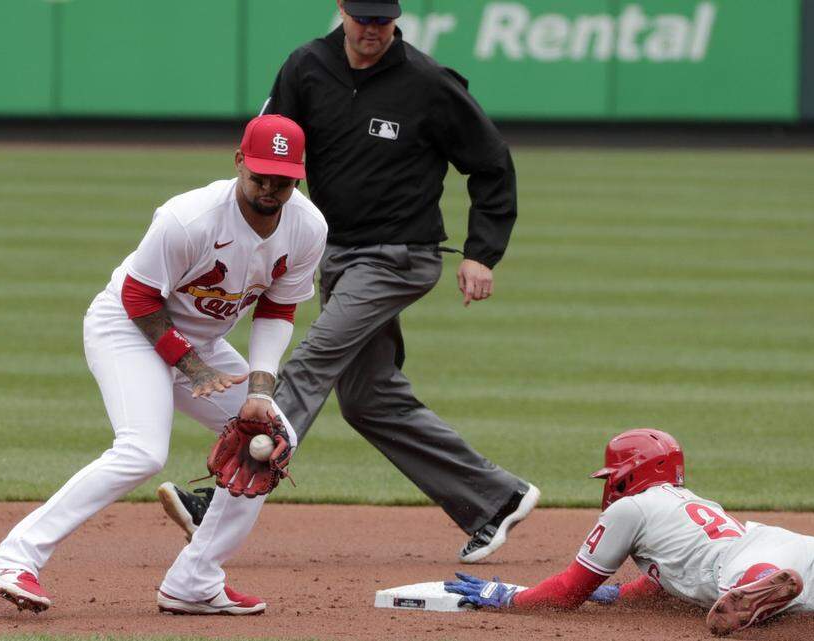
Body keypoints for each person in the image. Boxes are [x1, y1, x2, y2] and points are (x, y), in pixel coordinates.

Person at [157, 0, 538, 564]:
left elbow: (491, 162)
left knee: (309, 364)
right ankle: (496, 498)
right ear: (342, 10)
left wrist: (482, 253)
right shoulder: (307, 67)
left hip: (397, 258)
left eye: (383, 20)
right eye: (363, 17)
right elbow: (268, 145)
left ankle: (221, 500)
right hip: (334, 256)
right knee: (368, 399)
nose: (372, 29)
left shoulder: (428, 83)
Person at [0, 115, 328, 615]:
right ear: (238, 162)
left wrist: (261, 391)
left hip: (197, 341)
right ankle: (11, 558)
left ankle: (195, 580)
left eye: (283, 179)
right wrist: (191, 366)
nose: (270, 188)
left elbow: (277, 308)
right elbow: (138, 295)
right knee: (142, 450)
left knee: (271, 442)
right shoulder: (191, 218)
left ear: (300, 175)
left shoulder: (307, 227)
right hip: (127, 327)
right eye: (260, 175)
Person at [445, 429, 814, 637]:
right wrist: (618, 595)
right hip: (798, 551)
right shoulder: (689, 504)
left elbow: (570, 588)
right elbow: (660, 584)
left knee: (733, 582)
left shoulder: (631, 511)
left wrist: (509, 596)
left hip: (752, 564)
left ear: (631, 473)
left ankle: (764, 591)